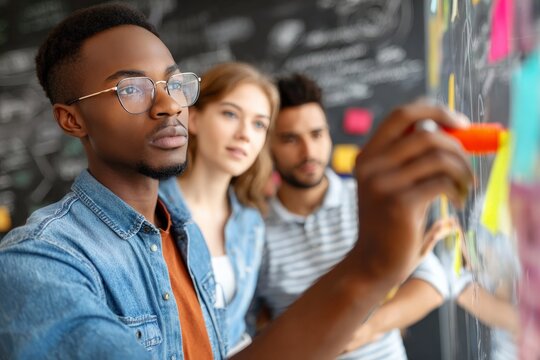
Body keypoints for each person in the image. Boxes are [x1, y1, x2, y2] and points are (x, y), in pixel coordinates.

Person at [0, 3, 474, 359]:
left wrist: (377, 264)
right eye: (132, 89)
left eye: (174, 83)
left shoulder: (183, 235)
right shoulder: (37, 262)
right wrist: (369, 266)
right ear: (72, 120)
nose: (168, 105)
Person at [255, 73, 456, 359]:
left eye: (316, 134)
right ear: (267, 144)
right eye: (290, 139)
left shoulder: (368, 199)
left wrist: (364, 329)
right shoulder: (253, 228)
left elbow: (433, 283)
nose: (309, 151)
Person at [168, 62, 278, 355]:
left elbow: (236, 324)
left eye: (259, 124)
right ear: (194, 119)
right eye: (230, 114)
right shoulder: (150, 209)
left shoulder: (250, 222)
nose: (245, 134)